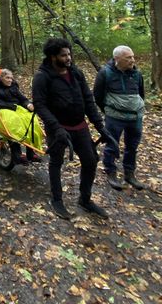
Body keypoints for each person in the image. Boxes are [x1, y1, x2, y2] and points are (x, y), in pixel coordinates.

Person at [32, 38, 113, 220]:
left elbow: (88, 100)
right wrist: (56, 128)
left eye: (69, 54)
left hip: (80, 126)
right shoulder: (42, 77)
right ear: (53, 57)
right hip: (58, 129)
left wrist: (100, 126)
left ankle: (85, 199)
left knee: (90, 161)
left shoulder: (76, 73)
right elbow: (40, 105)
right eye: (64, 55)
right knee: (56, 162)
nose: (68, 58)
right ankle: (57, 199)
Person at [94, 45, 145, 190]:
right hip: (114, 118)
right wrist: (108, 111)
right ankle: (111, 172)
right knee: (112, 145)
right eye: (128, 58)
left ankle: (129, 174)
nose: (132, 60)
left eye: (132, 57)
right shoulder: (105, 73)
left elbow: (141, 94)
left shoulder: (137, 74)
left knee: (132, 147)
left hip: (135, 118)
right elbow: (98, 96)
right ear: (117, 59)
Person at [0, 68, 41, 163]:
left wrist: (28, 104)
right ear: (1, 78)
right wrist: (11, 106)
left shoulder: (14, 87)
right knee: (14, 124)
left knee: (31, 120)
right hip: (3, 110)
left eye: (11, 78)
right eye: (7, 78)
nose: (10, 80)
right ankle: (16, 154)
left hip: (16, 108)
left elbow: (22, 99)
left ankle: (30, 152)